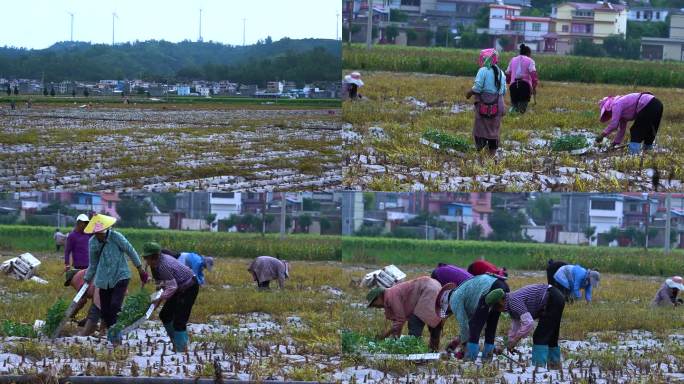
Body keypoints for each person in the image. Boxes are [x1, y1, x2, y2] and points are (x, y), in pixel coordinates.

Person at [82, 214, 148, 342]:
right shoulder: (92, 243)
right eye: (96, 233)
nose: (99, 235)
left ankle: (116, 336)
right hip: (103, 280)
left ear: (105, 229)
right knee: (105, 311)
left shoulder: (116, 237)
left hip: (120, 275)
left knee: (115, 306)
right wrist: (87, 279)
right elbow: (93, 264)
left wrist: (139, 268)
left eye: (101, 233)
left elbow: (130, 250)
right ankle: (113, 334)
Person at [489, 284, 565, 369]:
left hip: (552, 298)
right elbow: (515, 328)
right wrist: (508, 344)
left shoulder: (513, 301)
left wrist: (515, 340)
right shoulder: (510, 304)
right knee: (551, 336)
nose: (498, 310)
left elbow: (529, 323)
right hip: (555, 297)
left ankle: (538, 369)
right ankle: (555, 367)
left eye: (496, 307)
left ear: (501, 302)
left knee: (539, 337)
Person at [142, 243, 199, 352]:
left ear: (154, 257)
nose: (146, 261)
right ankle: (176, 342)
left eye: (147, 258)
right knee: (165, 314)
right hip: (178, 287)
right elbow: (161, 287)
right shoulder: (156, 265)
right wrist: (151, 305)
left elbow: (172, 287)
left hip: (189, 287)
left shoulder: (163, 265)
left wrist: (158, 299)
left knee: (179, 320)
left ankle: (182, 349)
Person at [437, 273, 510, 360]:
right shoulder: (462, 294)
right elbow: (473, 323)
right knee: (491, 326)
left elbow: (464, 325)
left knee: (475, 328)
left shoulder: (454, 300)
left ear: (447, 305)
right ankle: (487, 358)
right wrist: (457, 341)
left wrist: (464, 347)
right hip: (502, 286)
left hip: (490, 288)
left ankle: (470, 360)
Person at [367, 276, 443, 351]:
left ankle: (414, 350)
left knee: (415, 321)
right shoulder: (391, 294)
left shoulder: (391, 296)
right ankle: (433, 351)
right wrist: (394, 339)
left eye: (374, 304)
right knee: (433, 322)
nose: (375, 307)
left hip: (428, 290)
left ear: (378, 297)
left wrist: (386, 335)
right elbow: (398, 322)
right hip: (434, 286)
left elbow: (400, 319)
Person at [466, 48, 507, 157]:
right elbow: (503, 91)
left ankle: (479, 155)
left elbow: (477, 88)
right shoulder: (501, 73)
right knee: (494, 131)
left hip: (484, 105)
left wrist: (469, 93)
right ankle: (491, 158)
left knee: (480, 129)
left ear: (485, 59)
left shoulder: (483, 71)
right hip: (498, 105)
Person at [595, 92, 663, 155]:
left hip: (648, 104)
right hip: (658, 105)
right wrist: (615, 143)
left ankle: (633, 155)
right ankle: (648, 152)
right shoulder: (622, 112)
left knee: (636, 131)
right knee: (650, 131)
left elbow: (614, 124)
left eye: (607, 113)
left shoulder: (616, 104)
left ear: (608, 108)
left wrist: (602, 135)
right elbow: (622, 130)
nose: (610, 115)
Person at [64, 269, 101, 336]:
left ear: (70, 279)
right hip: (103, 286)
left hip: (100, 288)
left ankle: (86, 333)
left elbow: (81, 301)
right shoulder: (85, 273)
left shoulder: (77, 279)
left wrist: (72, 315)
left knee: (94, 312)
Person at [505, 43, 538, 114]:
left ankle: (512, 116)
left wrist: (509, 81)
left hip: (513, 86)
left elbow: (507, 74)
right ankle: (518, 119)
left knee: (514, 107)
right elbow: (533, 74)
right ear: (528, 53)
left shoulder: (513, 60)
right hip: (525, 87)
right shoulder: (530, 61)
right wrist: (534, 86)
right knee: (522, 110)